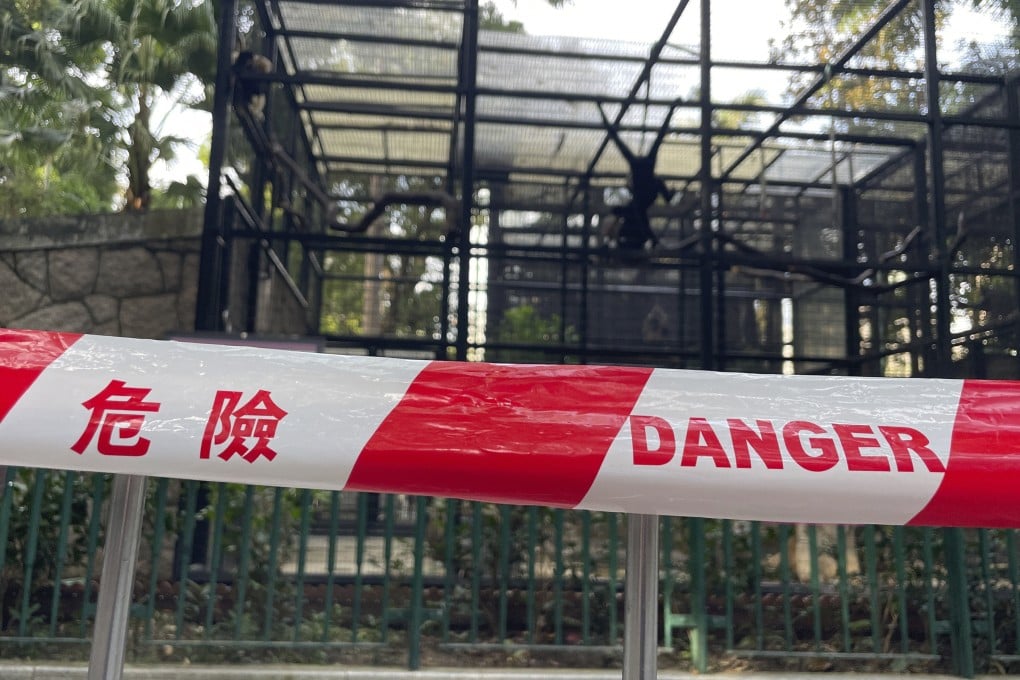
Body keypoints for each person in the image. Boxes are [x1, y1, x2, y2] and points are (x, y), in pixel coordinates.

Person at [597, 98, 683, 250]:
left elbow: (614, 137)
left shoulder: (637, 163)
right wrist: (672, 108)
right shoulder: (646, 164)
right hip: (644, 200)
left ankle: (616, 241)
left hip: (641, 201)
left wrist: (600, 108)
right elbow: (660, 135)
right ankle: (645, 240)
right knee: (632, 211)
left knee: (627, 211)